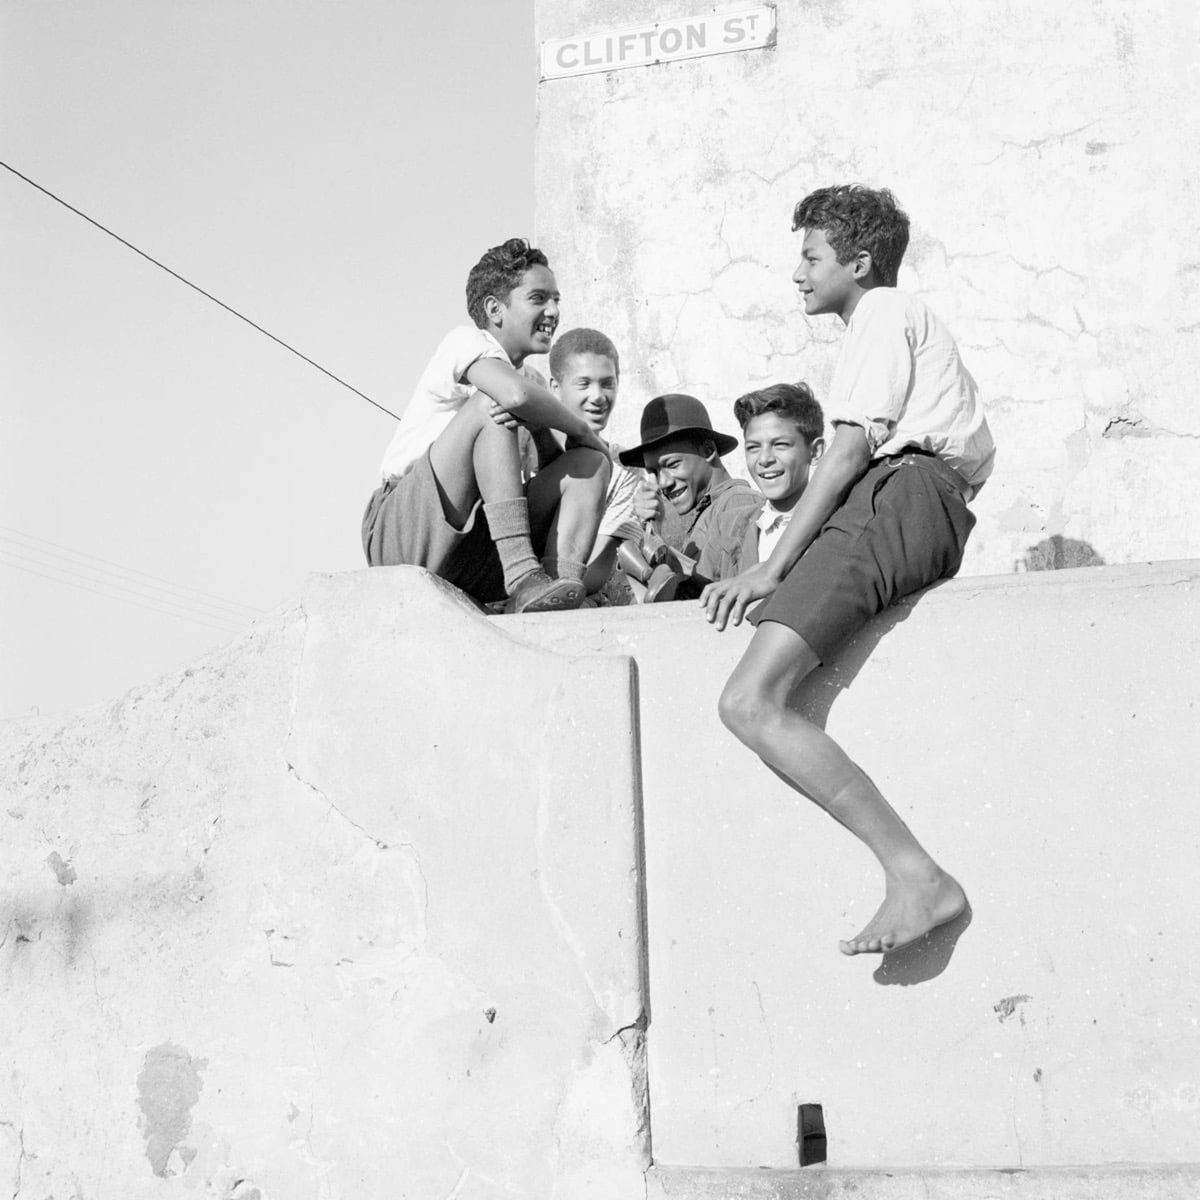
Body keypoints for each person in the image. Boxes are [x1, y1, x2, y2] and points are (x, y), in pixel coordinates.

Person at [701, 185, 995, 956]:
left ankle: (916, 875)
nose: (798, 273)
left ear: (859, 262)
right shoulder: (896, 323)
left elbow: (849, 451)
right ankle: (911, 874)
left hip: (900, 495)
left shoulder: (884, 313)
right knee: (748, 701)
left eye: (811, 256)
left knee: (749, 699)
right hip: (917, 501)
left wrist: (769, 566)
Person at [361, 238, 610, 613]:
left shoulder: (535, 383)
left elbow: (553, 468)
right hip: (405, 535)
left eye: (557, 299)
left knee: (591, 463)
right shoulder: (465, 342)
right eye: (539, 298)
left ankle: (555, 586)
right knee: (491, 405)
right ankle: (523, 576)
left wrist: (578, 447)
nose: (554, 311)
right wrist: (582, 428)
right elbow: (512, 395)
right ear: (495, 309)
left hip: (476, 552)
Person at [618, 393, 763, 599]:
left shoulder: (738, 503)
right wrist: (652, 531)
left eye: (672, 464)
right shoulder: (706, 515)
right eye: (655, 472)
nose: (663, 482)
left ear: (708, 450)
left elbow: (739, 596)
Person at [538, 327, 642, 603]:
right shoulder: (528, 442)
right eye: (583, 384)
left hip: (565, 585)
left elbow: (596, 567)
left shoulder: (625, 470)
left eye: (608, 383)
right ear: (555, 387)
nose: (598, 396)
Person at [713, 382, 826, 577]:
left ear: (815, 451)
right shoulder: (728, 527)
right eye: (753, 447)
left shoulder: (838, 527)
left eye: (780, 444)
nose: (764, 459)